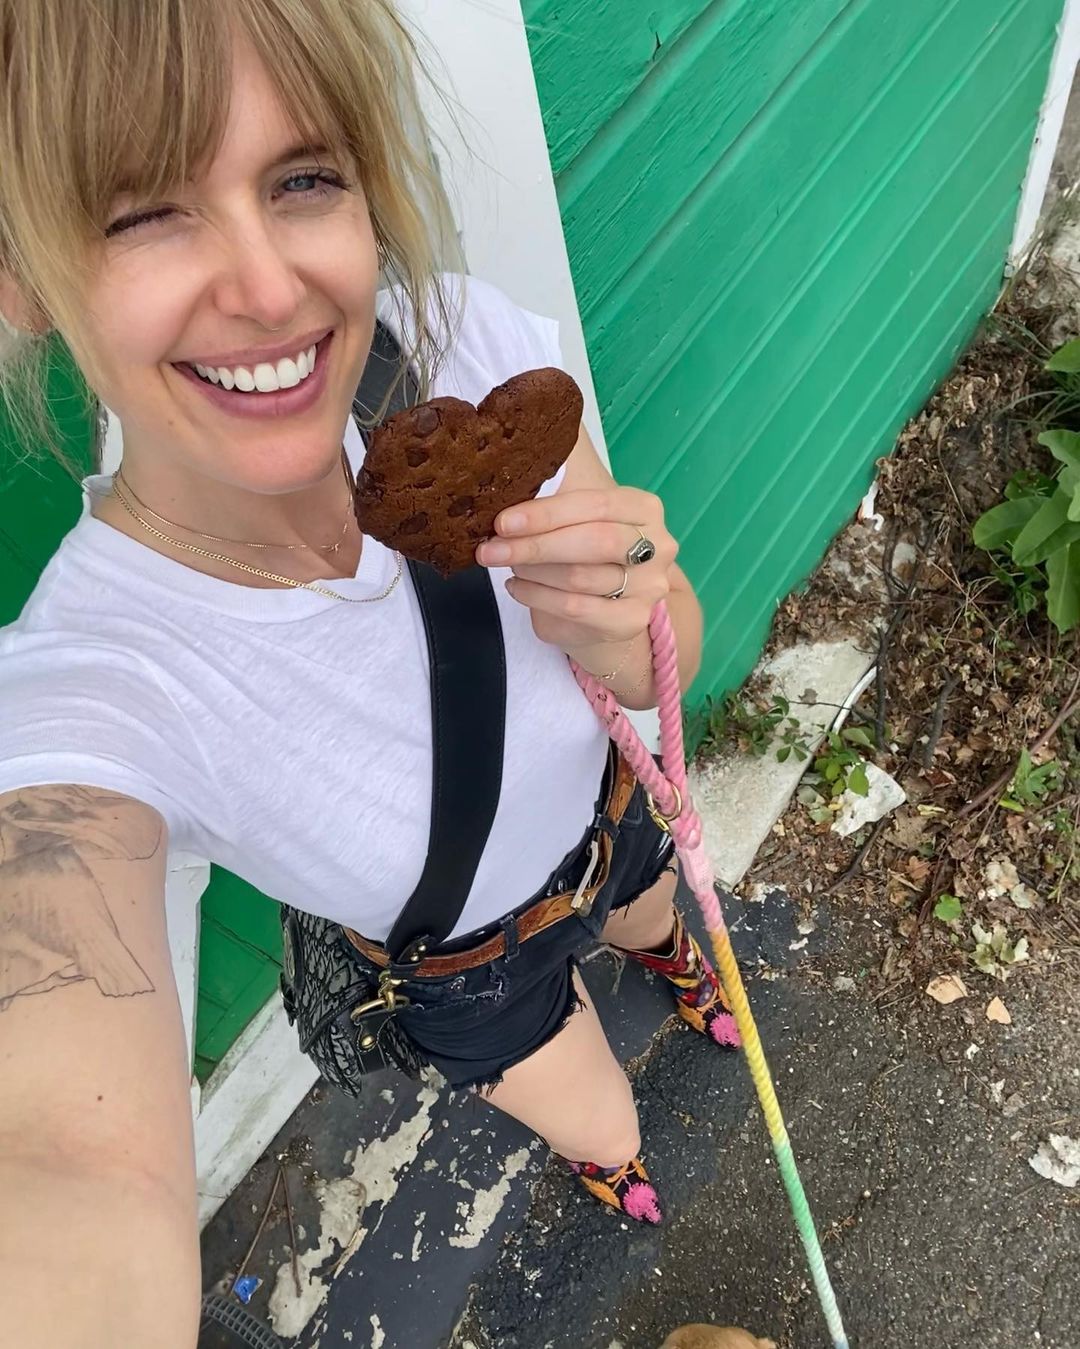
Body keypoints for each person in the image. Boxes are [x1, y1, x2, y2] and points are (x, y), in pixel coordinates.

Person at [0, 1, 737, 1342]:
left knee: (654, 921)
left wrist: (629, 614)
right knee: (601, 1107)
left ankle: (677, 965)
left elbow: (664, 655)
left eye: (303, 179)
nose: (267, 285)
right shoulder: (93, 688)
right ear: (20, 273)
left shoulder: (475, 358)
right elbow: (62, 1161)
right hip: (476, 972)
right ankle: (616, 1162)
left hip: (616, 816)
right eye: (142, 212)